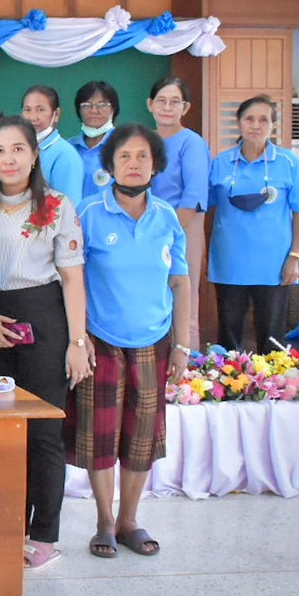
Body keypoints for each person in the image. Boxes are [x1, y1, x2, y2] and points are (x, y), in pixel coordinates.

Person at [0, 116, 90, 571]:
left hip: (44, 322)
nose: (9, 159)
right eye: (0, 150)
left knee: (42, 432)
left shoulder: (57, 206)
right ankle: (8, 525)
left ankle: (44, 535)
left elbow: (74, 278)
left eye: (18, 149)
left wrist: (77, 340)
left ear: (34, 154)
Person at [74, 124, 191, 560]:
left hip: (153, 340)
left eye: (143, 156)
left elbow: (181, 282)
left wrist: (182, 344)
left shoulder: (167, 217)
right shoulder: (88, 213)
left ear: (156, 164)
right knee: (101, 436)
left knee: (142, 435)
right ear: (110, 165)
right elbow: (73, 280)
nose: (135, 164)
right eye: (125, 156)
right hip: (100, 341)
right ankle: (104, 521)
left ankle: (129, 521)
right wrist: (78, 337)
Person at [208, 95, 299, 354]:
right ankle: (228, 384)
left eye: (264, 120)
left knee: (272, 337)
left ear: (273, 126)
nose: (256, 125)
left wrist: (294, 257)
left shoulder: (288, 163)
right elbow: (204, 210)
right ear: (239, 123)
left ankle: (274, 389)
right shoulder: (220, 163)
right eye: (249, 119)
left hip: (273, 264)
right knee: (229, 335)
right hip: (229, 263)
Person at [148, 77, 209, 350]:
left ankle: (188, 378)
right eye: (161, 100)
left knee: (185, 298)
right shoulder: (145, 140)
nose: (167, 107)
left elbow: (193, 196)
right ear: (150, 104)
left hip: (182, 230)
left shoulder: (191, 143)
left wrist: (168, 233)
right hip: (146, 231)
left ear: (186, 108)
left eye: (175, 102)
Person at [21, 85, 84, 206]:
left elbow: (69, 209)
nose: (33, 117)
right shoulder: (20, 149)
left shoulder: (65, 155)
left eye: (40, 110)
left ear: (56, 114)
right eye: (27, 110)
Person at [69, 81, 118, 202]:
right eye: (86, 105)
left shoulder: (124, 145)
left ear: (113, 109)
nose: (94, 110)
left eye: (101, 105)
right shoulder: (68, 148)